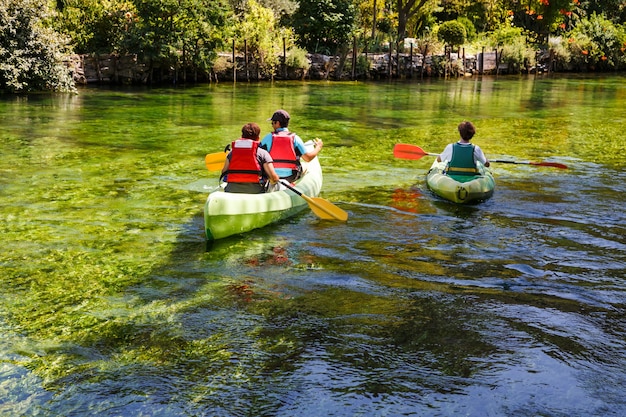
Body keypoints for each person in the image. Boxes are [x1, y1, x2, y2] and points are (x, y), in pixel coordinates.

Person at [260, 109, 323, 182]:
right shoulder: (295, 138)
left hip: (271, 175)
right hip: (291, 176)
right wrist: (318, 147)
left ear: (277, 123)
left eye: (272, 123)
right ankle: (296, 185)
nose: (272, 125)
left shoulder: (268, 138)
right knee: (305, 166)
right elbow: (308, 158)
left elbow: (258, 156)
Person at [221, 122, 280, 194]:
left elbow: (223, 172)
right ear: (258, 138)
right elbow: (273, 178)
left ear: (242, 136)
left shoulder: (232, 153)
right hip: (255, 191)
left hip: (231, 190)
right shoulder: (263, 153)